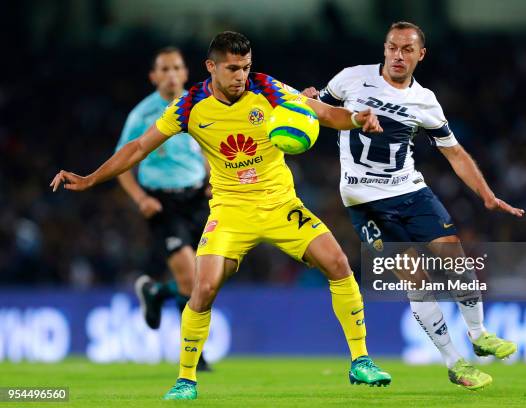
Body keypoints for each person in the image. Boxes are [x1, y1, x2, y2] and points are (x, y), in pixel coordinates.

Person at [50, 31, 391, 400]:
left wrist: (357, 119)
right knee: (204, 287)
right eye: (232, 68)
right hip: (231, 211)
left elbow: (323, 113)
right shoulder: (189, 105)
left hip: (280, 204)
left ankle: (361, 361)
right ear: (211, 66)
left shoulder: (267, 88)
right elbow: (137, 147)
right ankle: (185, 379)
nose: (241, 76)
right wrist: (89, 179)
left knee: (338, 263)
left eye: (245, 67)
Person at [304, 21, 524, 390]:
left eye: (407, 50)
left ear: (420, 55)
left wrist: (486, 194)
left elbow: (453, 152)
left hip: (410, 190)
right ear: (385, 48)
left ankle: (480, 334)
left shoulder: (425, 101)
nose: (397, 55)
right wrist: (307, 99)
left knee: (454, 257)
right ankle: (455, 363)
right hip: (366, 201)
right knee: (416, 278)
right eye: (392, 47)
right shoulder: (351, 78)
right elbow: (318, 108)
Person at [115, 46, 211, 371]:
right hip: (163, 204)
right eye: (164, 69)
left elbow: (213, 147)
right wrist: (141, 199)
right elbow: (122, 163)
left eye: (176, 68)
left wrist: (215, 180)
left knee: (206, 280)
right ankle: (195, 355)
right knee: (191, 279)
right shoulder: (142, 115)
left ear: (185, 73)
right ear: (154, 76)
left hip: (200, 199)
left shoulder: (200, 106)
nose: (171, 75)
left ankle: (156, 292)